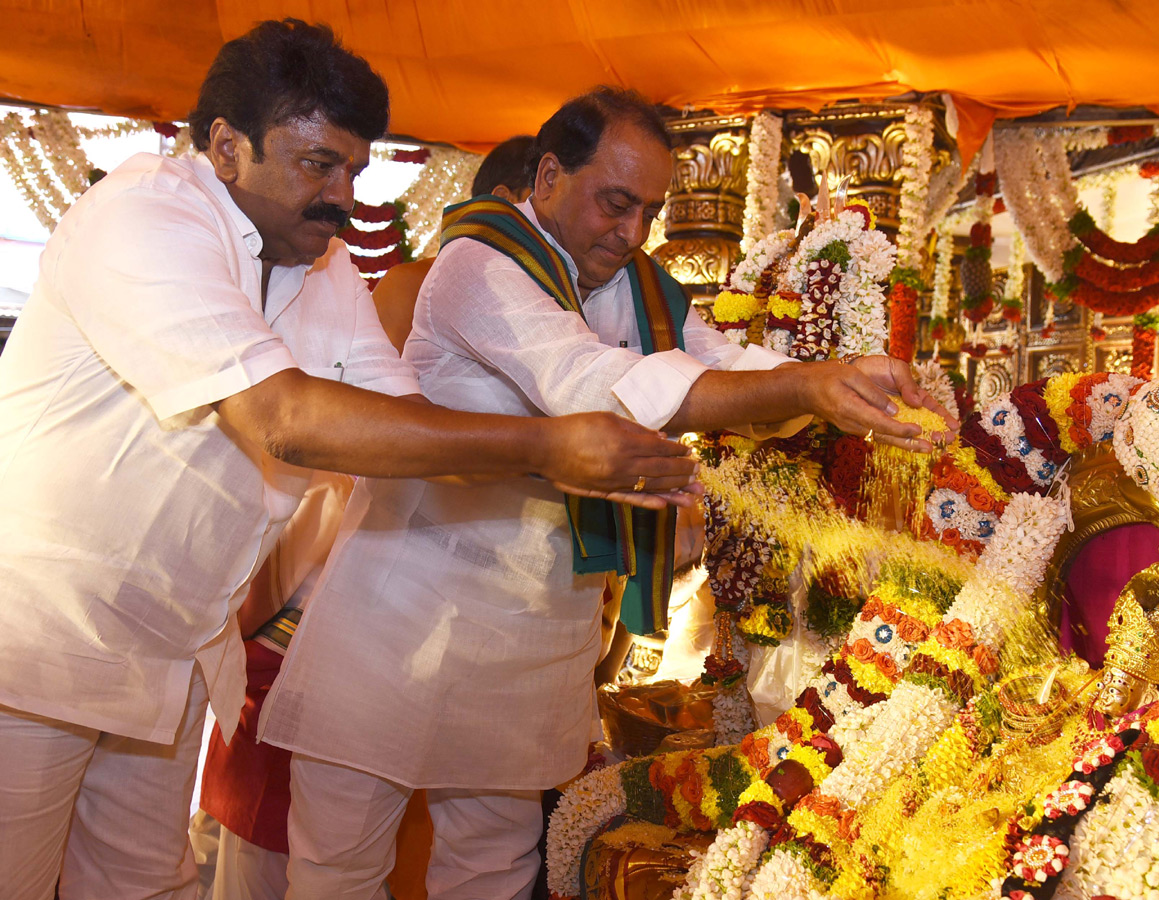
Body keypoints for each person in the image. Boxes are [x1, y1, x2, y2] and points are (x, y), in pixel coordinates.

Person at [0, 23, 697, 900]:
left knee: (140, 889)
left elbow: (409, 429)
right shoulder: (148, 214)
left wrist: (580, 468)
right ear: (226, 144)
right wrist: (549, 445)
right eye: (319, 165)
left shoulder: (319, 264)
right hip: (34, 640)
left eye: (357, 173)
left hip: (171, 652)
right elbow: (282, 420)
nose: (344, 199)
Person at [261, 85, 953, 900]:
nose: (631, 234)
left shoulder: (640, 290)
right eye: (614, 203)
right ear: (548, 174)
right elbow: (592, 384)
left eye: (648, 212)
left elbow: (721, 364)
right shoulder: (476, 268)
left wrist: (824, 381)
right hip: (403, 613)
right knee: (336, 868)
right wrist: (810, 389)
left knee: (490, 868)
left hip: (534, 628)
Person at [191, 135, 541, 900]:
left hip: (448, 628)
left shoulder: (549, 310)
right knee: (284, 851)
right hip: (337, 605)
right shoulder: (416, 286)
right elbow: (347, 464)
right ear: (523, 198)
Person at [370, 134, 535, 350]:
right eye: (543, 202)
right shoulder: (410, 285)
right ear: (504, 199)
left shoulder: (551, 293)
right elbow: (374, 381)